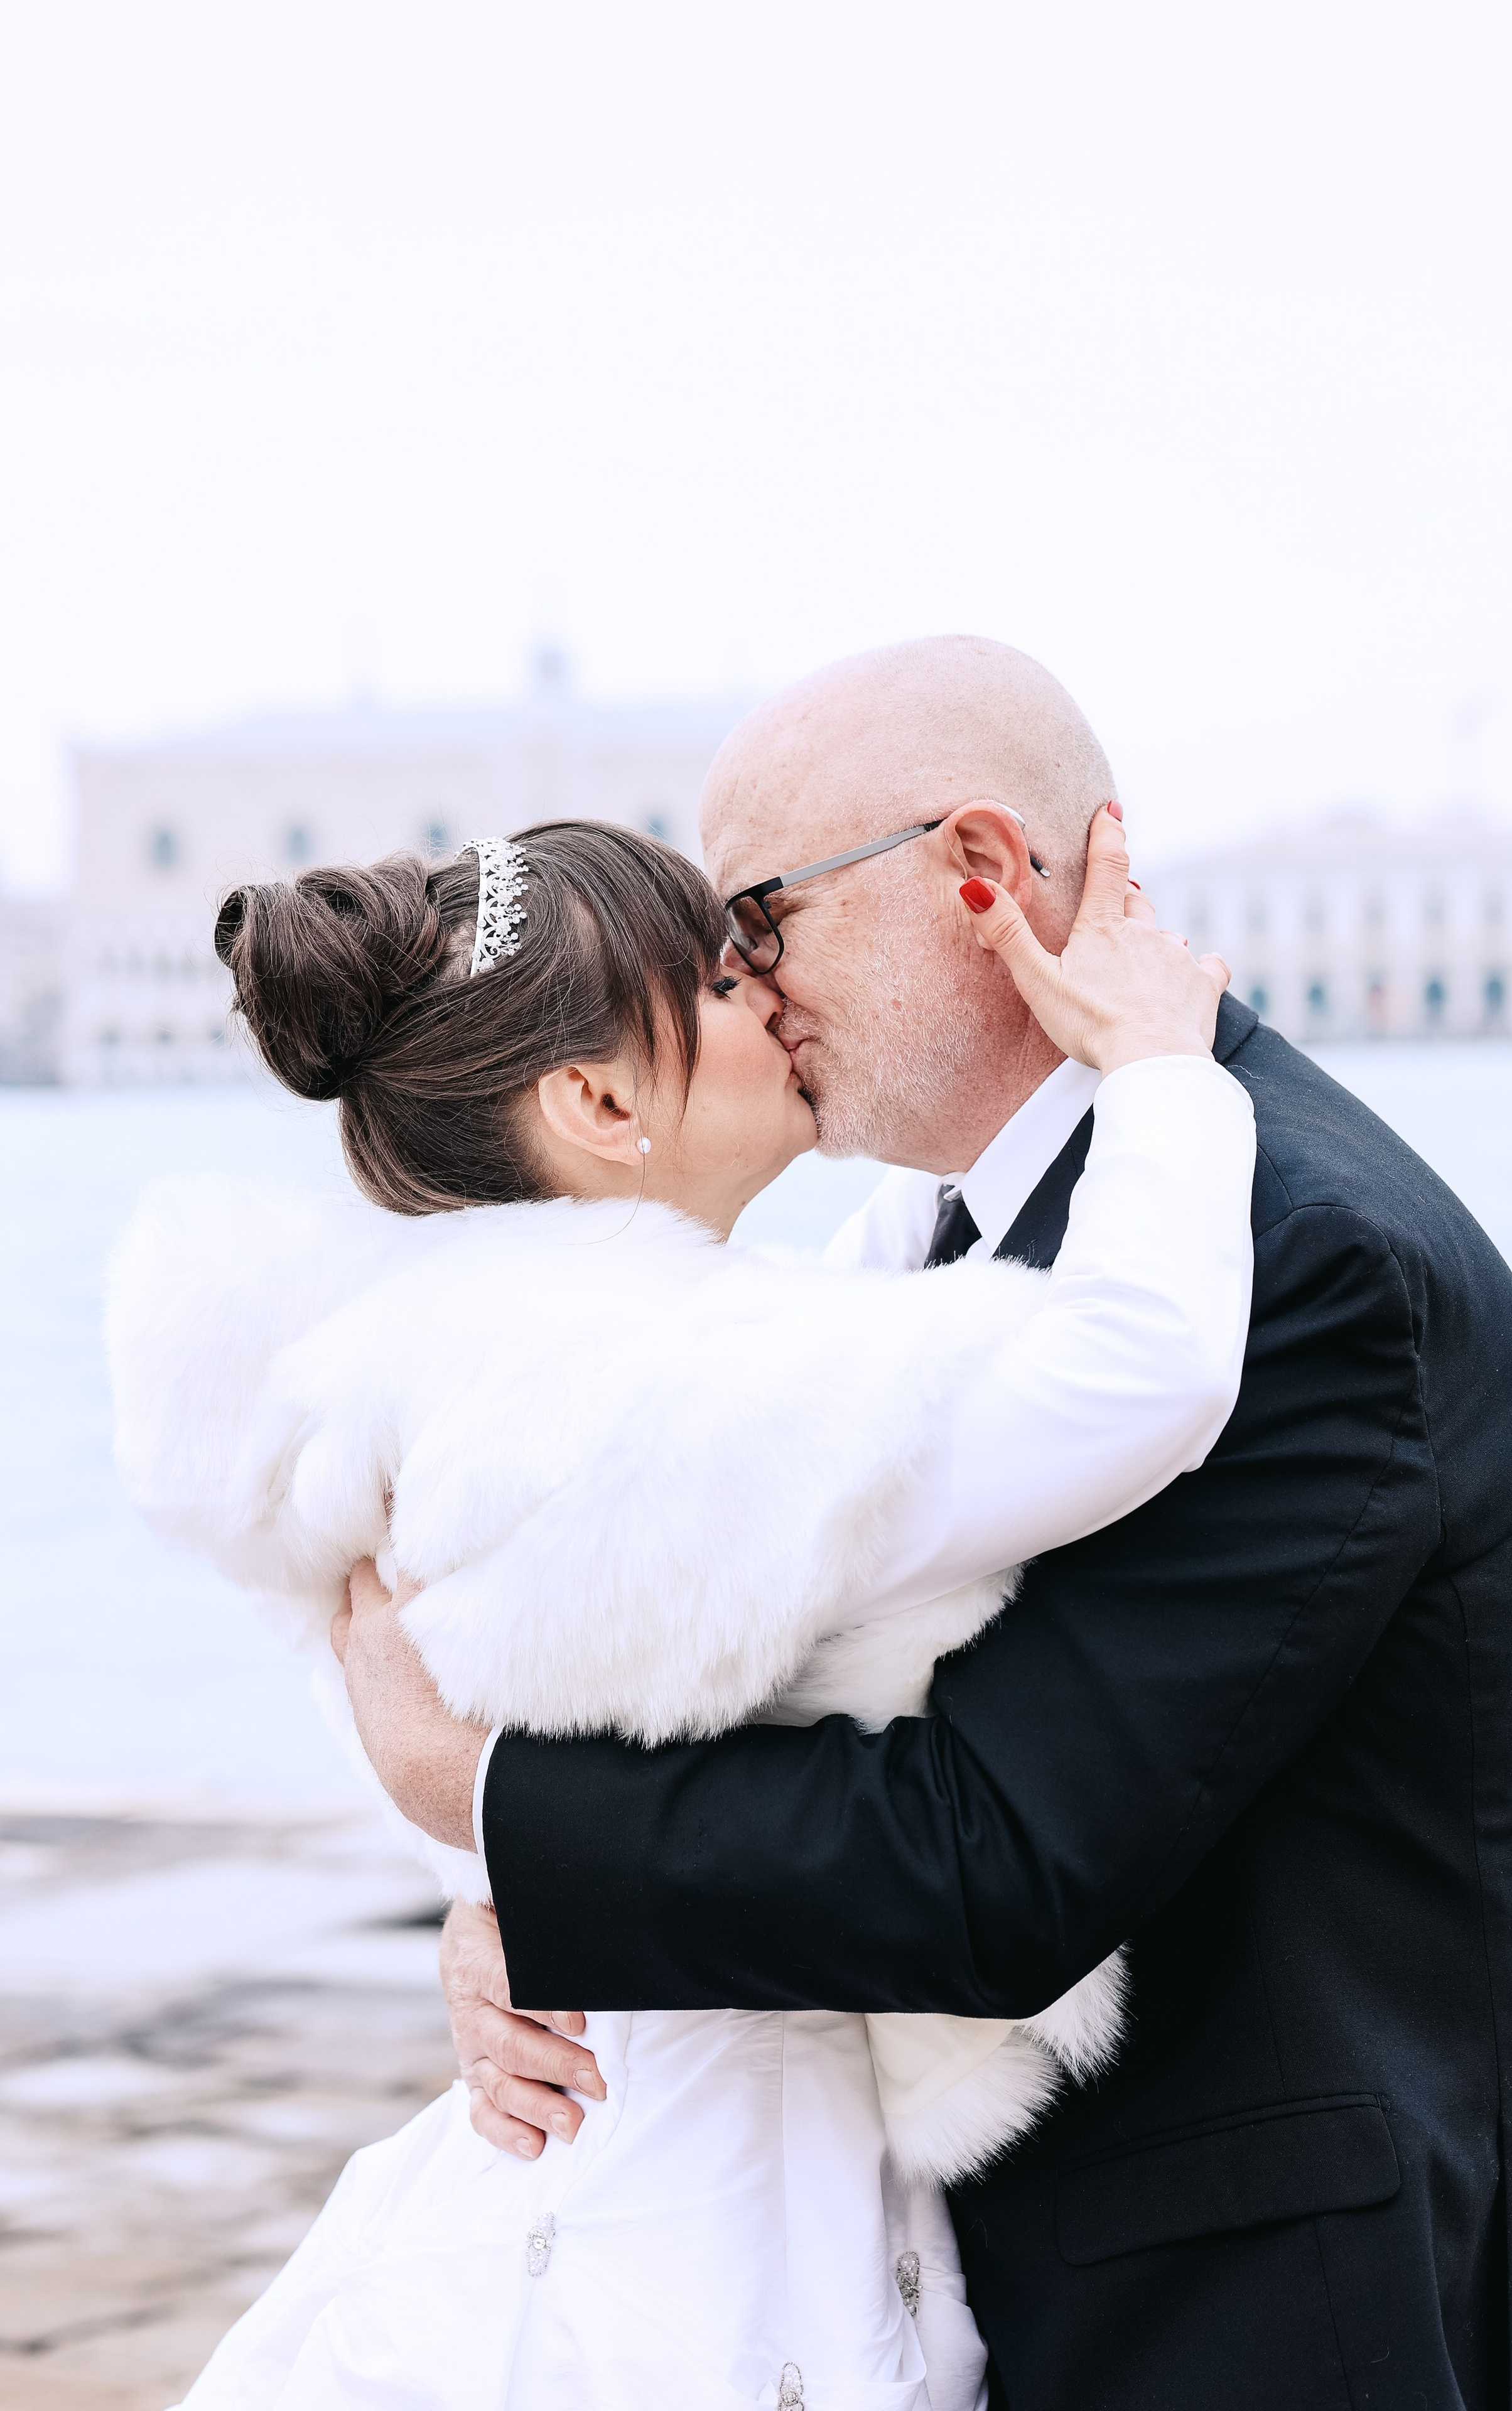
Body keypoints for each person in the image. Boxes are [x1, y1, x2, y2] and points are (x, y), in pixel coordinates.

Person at [355, 637, 1512, 2410]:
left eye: (760, 918)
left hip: (1284, 2319)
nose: (742, 980)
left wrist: (482, 1799)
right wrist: (537, 1941)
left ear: (980, 875)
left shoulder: (1294, 1254)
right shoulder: (966, 1242)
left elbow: (989, 1858)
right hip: (1051, 2295)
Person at [110, 799, 1256, 2409]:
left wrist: (488, 1890)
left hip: (601, 2142)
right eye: (717, 986)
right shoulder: (668, 1405)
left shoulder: (472, 1354)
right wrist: (1156, 1074)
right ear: (592, 1098)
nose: (769, 996)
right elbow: (1134, 1373)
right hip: (705, 2226)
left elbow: (882, 1297)